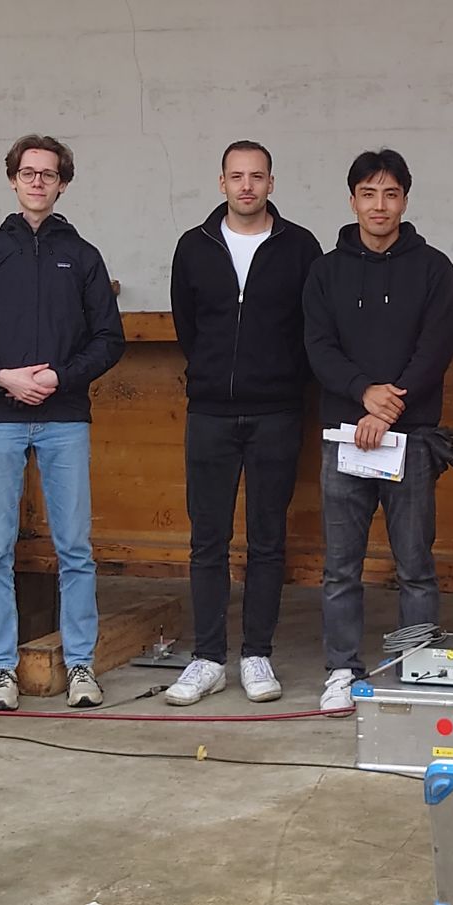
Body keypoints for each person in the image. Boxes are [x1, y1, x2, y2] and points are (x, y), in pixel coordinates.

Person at [0, 134, 126, 711]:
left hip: (65, 417)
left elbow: (108, 339)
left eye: (49, 174)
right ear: (13, 180)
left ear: (63, 183)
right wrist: (1, 378)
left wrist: (59, 379)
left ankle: (81, 665)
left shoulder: (84, 256)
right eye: (28, 172)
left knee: (74, 547)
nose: (38, 181)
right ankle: (0, 669)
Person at [161, 140, 324, 706]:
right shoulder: (195, 245)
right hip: (209, 411)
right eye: (237, 177)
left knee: (267, 539)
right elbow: (188, 324)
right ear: (222, 182)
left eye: (257, 177)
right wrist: (211, 374)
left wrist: (282, 383)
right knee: (207, 539)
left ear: (272, 183)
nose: (247, 186)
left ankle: (257, 654)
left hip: (277, 412)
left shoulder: (301, 247)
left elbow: (311, 328)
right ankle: (207, 658)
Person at [305, 148, 453, 712]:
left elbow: (435, 347)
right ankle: (342, 670)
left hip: (410, 438)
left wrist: (386, 408)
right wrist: (362, 395)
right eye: (368, 194)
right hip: (344, 437)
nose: (379, 205)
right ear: (352, 201)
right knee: (341, 567)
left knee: (415, 564)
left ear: (405, 201)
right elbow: (318, 347)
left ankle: (415, 665)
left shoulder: (433, 267)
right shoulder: (325, 271)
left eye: (390, 194)